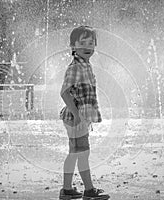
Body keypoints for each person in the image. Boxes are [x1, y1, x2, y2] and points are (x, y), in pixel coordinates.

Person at [59, 26, 110, 200]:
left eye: (91, 43)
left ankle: (67, 190)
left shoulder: (85, 65)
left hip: (79, 118)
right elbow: (64, 92)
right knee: (82, 153)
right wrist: (78, 115)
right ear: (73, 46)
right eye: (82, 43)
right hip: (75, 118)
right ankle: (88, 191)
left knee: (76, 153)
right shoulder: (75, 68)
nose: (88, 47)